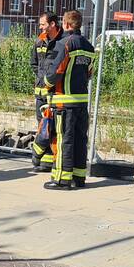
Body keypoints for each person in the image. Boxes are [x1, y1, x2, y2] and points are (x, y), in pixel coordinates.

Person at [40, 10, 95, 190]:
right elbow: (89, 73)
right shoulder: (89, 46)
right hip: (81, 102)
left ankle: (62, 179)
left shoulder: (66, 44)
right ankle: (79, 177)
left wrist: (47, 84)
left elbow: (56, 71)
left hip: (64, 101)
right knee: (80, 139)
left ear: (67, 25)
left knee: (65, 140)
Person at [30, 12, 62, 172]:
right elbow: (34, 63)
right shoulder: (40, 40)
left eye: (43, 24)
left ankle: (53, 160)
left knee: (55, 128)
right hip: (41, 93)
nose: (40, 27)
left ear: (53, 24)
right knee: (42, 126)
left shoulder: (63, 42)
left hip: (56, 94)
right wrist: (42, 80)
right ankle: (45, 160)